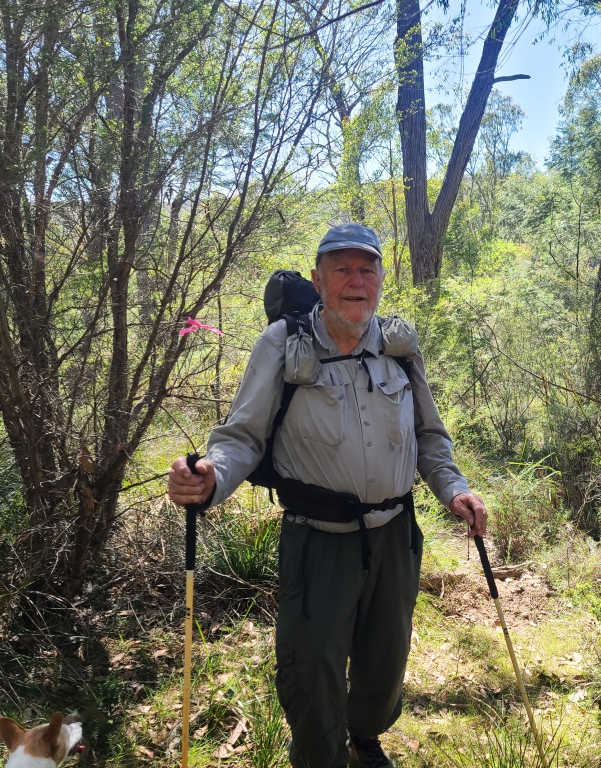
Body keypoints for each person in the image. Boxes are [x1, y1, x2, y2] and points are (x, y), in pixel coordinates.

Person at [167, 222, 487, 768]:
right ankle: (322, 757)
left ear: (382, 279)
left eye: (367, 269)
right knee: (310, 668)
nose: (356, 281)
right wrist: (210, 478)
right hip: (317, 541)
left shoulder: (400, 346)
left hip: (394, 536)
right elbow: (242, 436)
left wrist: (453, 489)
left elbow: (430, 437)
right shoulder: (282, 345)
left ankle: (365, 739)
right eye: (342, 269)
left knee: (385, 660)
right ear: (318, 279)